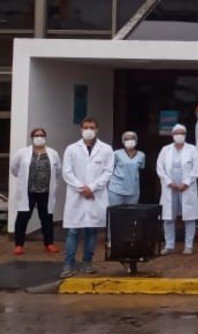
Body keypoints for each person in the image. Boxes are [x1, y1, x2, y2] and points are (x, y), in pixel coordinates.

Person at [60, 117, 114, 278]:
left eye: (92, 127)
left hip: (95, 195)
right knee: (73, 232)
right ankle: (68, 265)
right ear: (81, 130)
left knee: (91, 230)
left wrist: (92, 188)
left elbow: (108, 172)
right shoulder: (71, 149)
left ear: (97, 130)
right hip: (77, 196)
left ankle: (87, 262)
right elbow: (67, 172)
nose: (88, 130)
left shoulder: (106, 149)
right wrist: (81, 187)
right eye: (85, 127)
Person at [9, 127, 61, 255]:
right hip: (28, 192)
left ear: (45, 137)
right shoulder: (22, 153)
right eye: (36, 135)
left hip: (45, 192)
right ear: (32, 138)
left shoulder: (53, 153)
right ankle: (19, 245)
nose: (39, 137)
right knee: (23, 217)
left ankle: (49, 244)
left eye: (41, 135)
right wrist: (22, 177)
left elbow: (58, 171)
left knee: (46, 218)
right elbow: (14, 168)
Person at [156, 124, 198, 256]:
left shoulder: (192, 149)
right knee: (168, 217)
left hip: (186, 188)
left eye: (182, 133)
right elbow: (160, 168)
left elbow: (195, 169)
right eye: (177, 133)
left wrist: (186, 183)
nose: (179, 135)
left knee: (189, 217)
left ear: (185, 135)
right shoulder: (165, 150)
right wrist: (168, 182)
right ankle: (169, 245)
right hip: (170, 188)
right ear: (172, 135)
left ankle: (188, 246)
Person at [108, 131, 145, 206]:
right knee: (114, 211)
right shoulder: (116, 153)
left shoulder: (141, 155)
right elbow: (109, 169)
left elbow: (141, 168)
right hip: (116, 189)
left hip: (133, 190)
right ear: (123, 141)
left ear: (136, 140)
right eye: (127, 139)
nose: (129, 141)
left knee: (131, 212)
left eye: (132, 139)